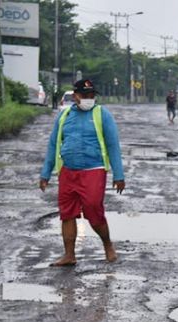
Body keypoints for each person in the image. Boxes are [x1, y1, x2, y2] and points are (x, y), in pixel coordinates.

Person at [39, 79, 125, 267]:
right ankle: (69, 255)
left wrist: (119, 175)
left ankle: (107, 244)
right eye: (85, 95)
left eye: (92, 95)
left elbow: (113, 146)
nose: (89, 99)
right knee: (67, 213)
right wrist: (45, 173)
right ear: (75, 96)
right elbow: (53, 144)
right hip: (68, 172)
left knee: (93, 209)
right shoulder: (64, 116)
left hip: (93, 171)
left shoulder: (102, 114)